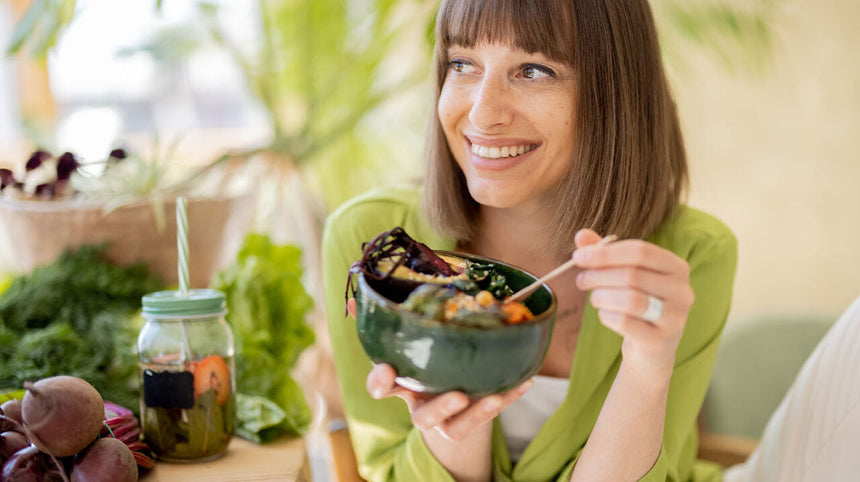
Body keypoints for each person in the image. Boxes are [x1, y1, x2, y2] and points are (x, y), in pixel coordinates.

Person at [322, 0, 738, 480]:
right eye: (462, 64)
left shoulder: (689, 257)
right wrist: (457, 414)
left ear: (616, 93)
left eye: (534, 70)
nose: (482, 113)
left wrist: (647, 368)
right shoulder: (366, 241)